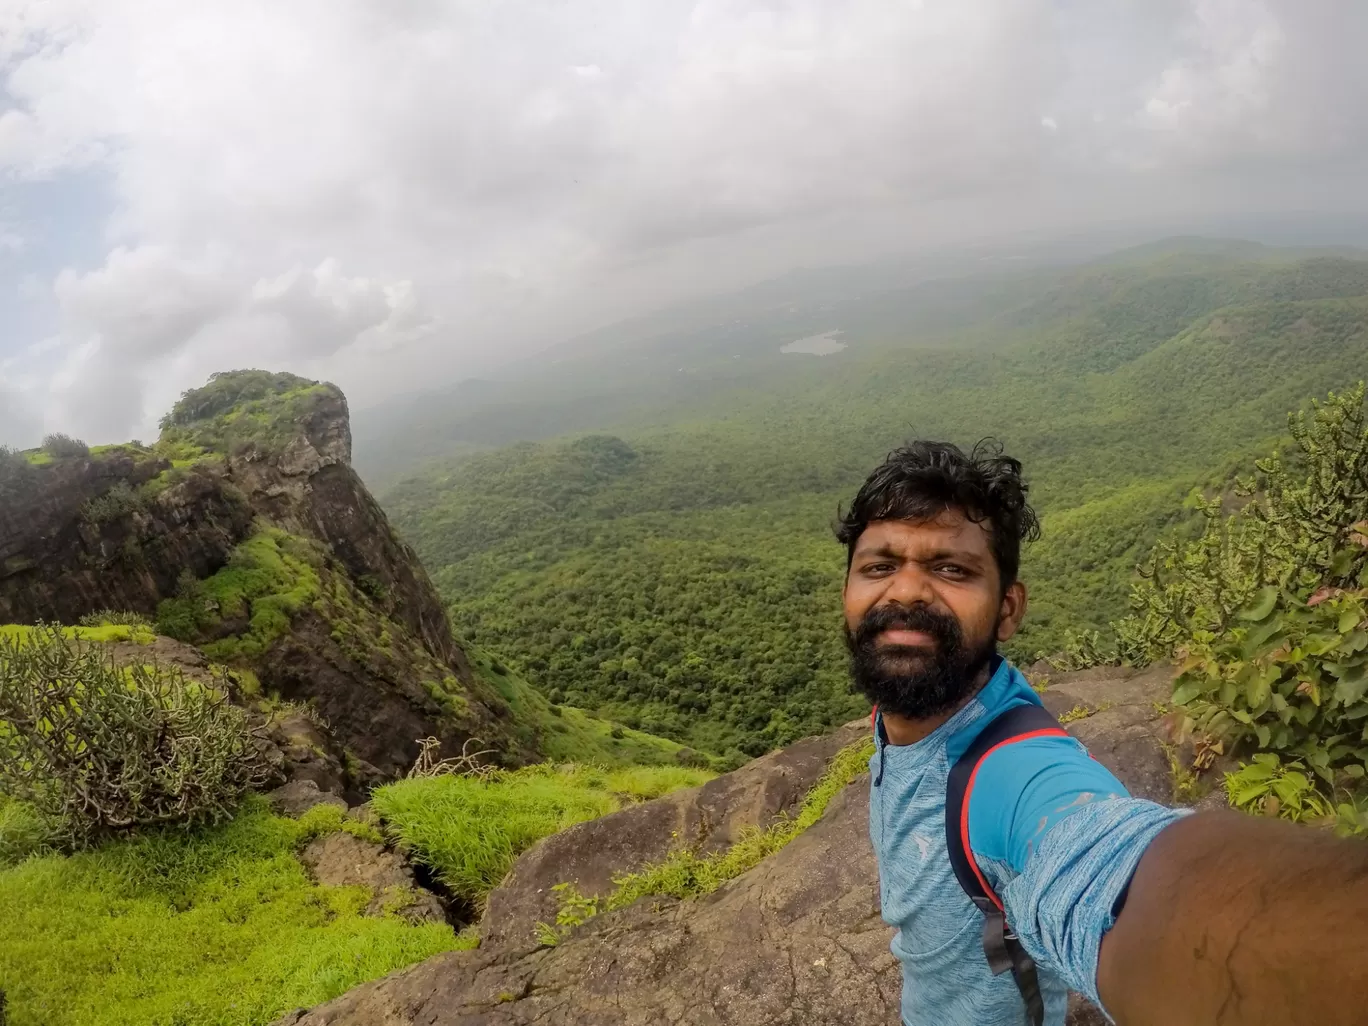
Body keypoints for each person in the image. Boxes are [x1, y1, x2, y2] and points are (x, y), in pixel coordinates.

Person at [838, 440, 1368, 1026]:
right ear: (848, 594)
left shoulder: (1008, 776)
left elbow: (1116, 870)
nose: (907, 591)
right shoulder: (905, 709)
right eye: (880, 566)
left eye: (951, 569)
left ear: (1008, 610)